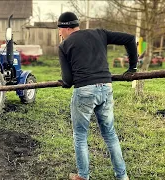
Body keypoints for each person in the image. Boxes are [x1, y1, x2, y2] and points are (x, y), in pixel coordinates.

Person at [57, 12, 137, 180]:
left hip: (84, 91)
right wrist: (133, 68)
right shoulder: (99, 33)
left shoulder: (64, 45)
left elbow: (68, 80)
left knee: (80, 135)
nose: (59, 34)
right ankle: (122, 177)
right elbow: (130, 39)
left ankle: (83, 177)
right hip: (106, 87)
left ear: (66, 28)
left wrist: (65, 82)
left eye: (59, 30)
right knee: (110, 134)